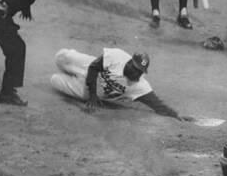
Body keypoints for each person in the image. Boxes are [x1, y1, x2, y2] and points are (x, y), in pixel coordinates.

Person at [50, 47, 192, 121]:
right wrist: (93, 95)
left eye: (141, 71)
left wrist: (176, 115)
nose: (137, 74)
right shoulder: (117, 56)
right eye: (136, 69)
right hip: (87, 68)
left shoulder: (140, 86)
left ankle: (66, 79)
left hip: (84, 91)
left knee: (54, 81)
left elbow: (158, 105)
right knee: (61, 56)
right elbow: (93, 67)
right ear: (130, 62)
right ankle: (67, 66)